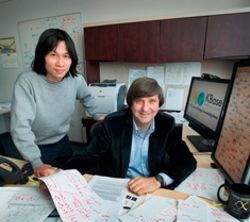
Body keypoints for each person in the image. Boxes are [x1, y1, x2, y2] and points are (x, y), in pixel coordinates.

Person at [59, 77, 197, 195]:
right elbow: (87, 157)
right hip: (119, 187)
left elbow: (187, 161)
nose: (145, 108)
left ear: (159, 104)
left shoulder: (165, 124)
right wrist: (59, 175)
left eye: (152, 101)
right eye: (139, 101)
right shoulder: (113, 123)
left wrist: (157, 180)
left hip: (151, 188)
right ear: (130, 104)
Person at [11, 28, 98, 178]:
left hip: (64, 142)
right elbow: (20, 127)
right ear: (42, 56)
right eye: (53, 55)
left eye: (66, 56)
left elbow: (88, 97)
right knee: (44, 191)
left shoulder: (75, 79)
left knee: (68, 180)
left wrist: (100, 116)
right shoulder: (27, 81)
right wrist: (36, 162)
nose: (61, 63)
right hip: (38, 148)